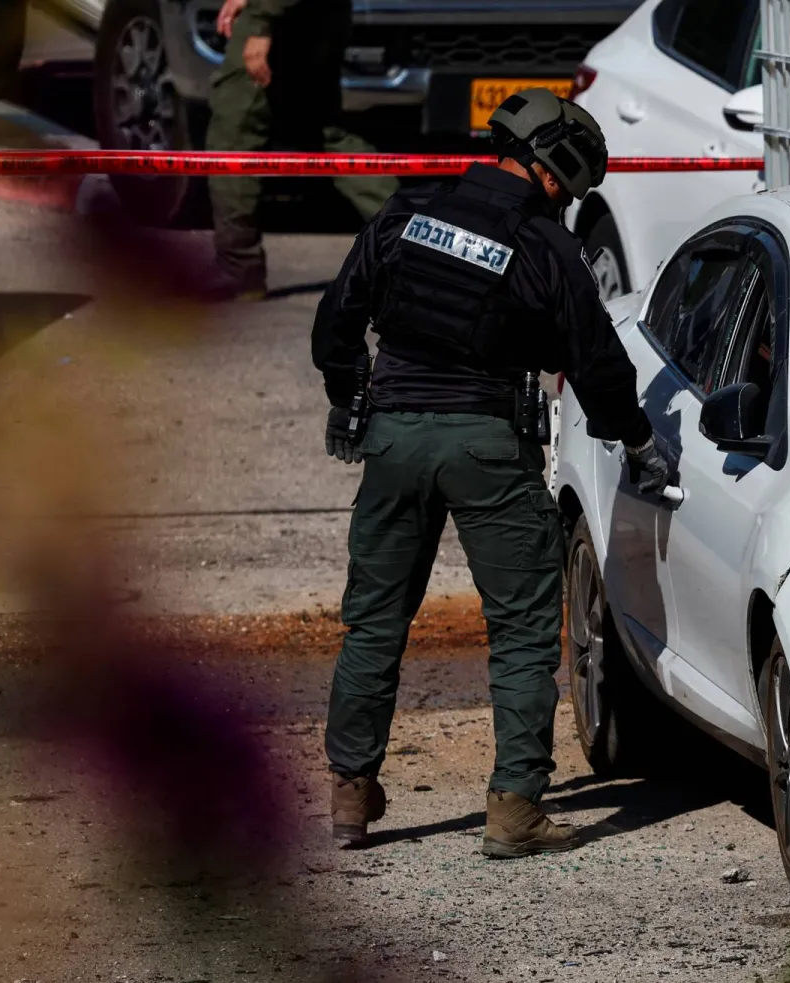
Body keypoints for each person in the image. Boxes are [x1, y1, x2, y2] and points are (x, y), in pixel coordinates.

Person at [311, 89, 670, 856]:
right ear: (555, 171)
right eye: (570, 190)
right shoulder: (545, 247)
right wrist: (636, 438)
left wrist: (353, 397)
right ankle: (513, 809)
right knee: (521, 626)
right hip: (486, 445)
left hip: (394, 437)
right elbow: (597, 365)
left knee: (373, 620)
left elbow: (335, 320)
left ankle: (349, 793)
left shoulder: (407, 215)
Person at [204, 0, 397, 300]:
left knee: (235, 133)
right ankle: (415, 251)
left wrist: (260, 20)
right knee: (328, 131)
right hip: (317, 14)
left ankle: (239, 267)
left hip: (283, 17)